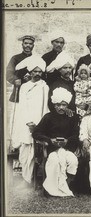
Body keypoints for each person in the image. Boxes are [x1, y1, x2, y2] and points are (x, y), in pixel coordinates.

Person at [32, 87, 80, 197]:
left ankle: (64, 186)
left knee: (72, 161)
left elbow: (76, 135)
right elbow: (36, 133)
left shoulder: (71, 118)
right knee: (54, 161)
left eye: (64, 105)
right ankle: (53, 188)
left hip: (67, 148)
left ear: (67, 105)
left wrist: (67, 141)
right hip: (51, 148)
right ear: (54, 105)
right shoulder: (48, 117)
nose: (61, 107)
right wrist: (49, 140)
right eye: (58, 105)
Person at [11, 56, 49, 185]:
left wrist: (40, 124)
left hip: (39, 121)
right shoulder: (25, 87)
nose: (37, 74)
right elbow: (22, 107)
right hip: (26, 121)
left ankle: (35, 176)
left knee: (37, 151)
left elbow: (45, 106)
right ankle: (26, 178)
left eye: (39, 71)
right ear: (30, 72)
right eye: (35, 71)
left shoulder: (45, 87)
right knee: (25, 149)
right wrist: (28, 122)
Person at [6, 35, 35, 102]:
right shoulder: (15, 58)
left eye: (30, 44)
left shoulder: (36, 59)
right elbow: (8, 73)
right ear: (22, 44)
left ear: (33, 45)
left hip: (32, 90)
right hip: (19, 89)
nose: (28, 45)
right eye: (26, 43)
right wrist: (15, 80)